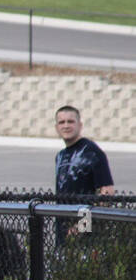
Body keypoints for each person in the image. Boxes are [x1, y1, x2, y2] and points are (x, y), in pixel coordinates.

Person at [54, 105, 114, 244]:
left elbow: (107, 194)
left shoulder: (92, 152)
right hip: (62, 231)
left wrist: (82, 226)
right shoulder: (60, 156)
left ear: (80, 125)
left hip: (87, 237)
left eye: (71, 121)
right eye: (62, 122)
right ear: (56, 127)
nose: (66, 126)